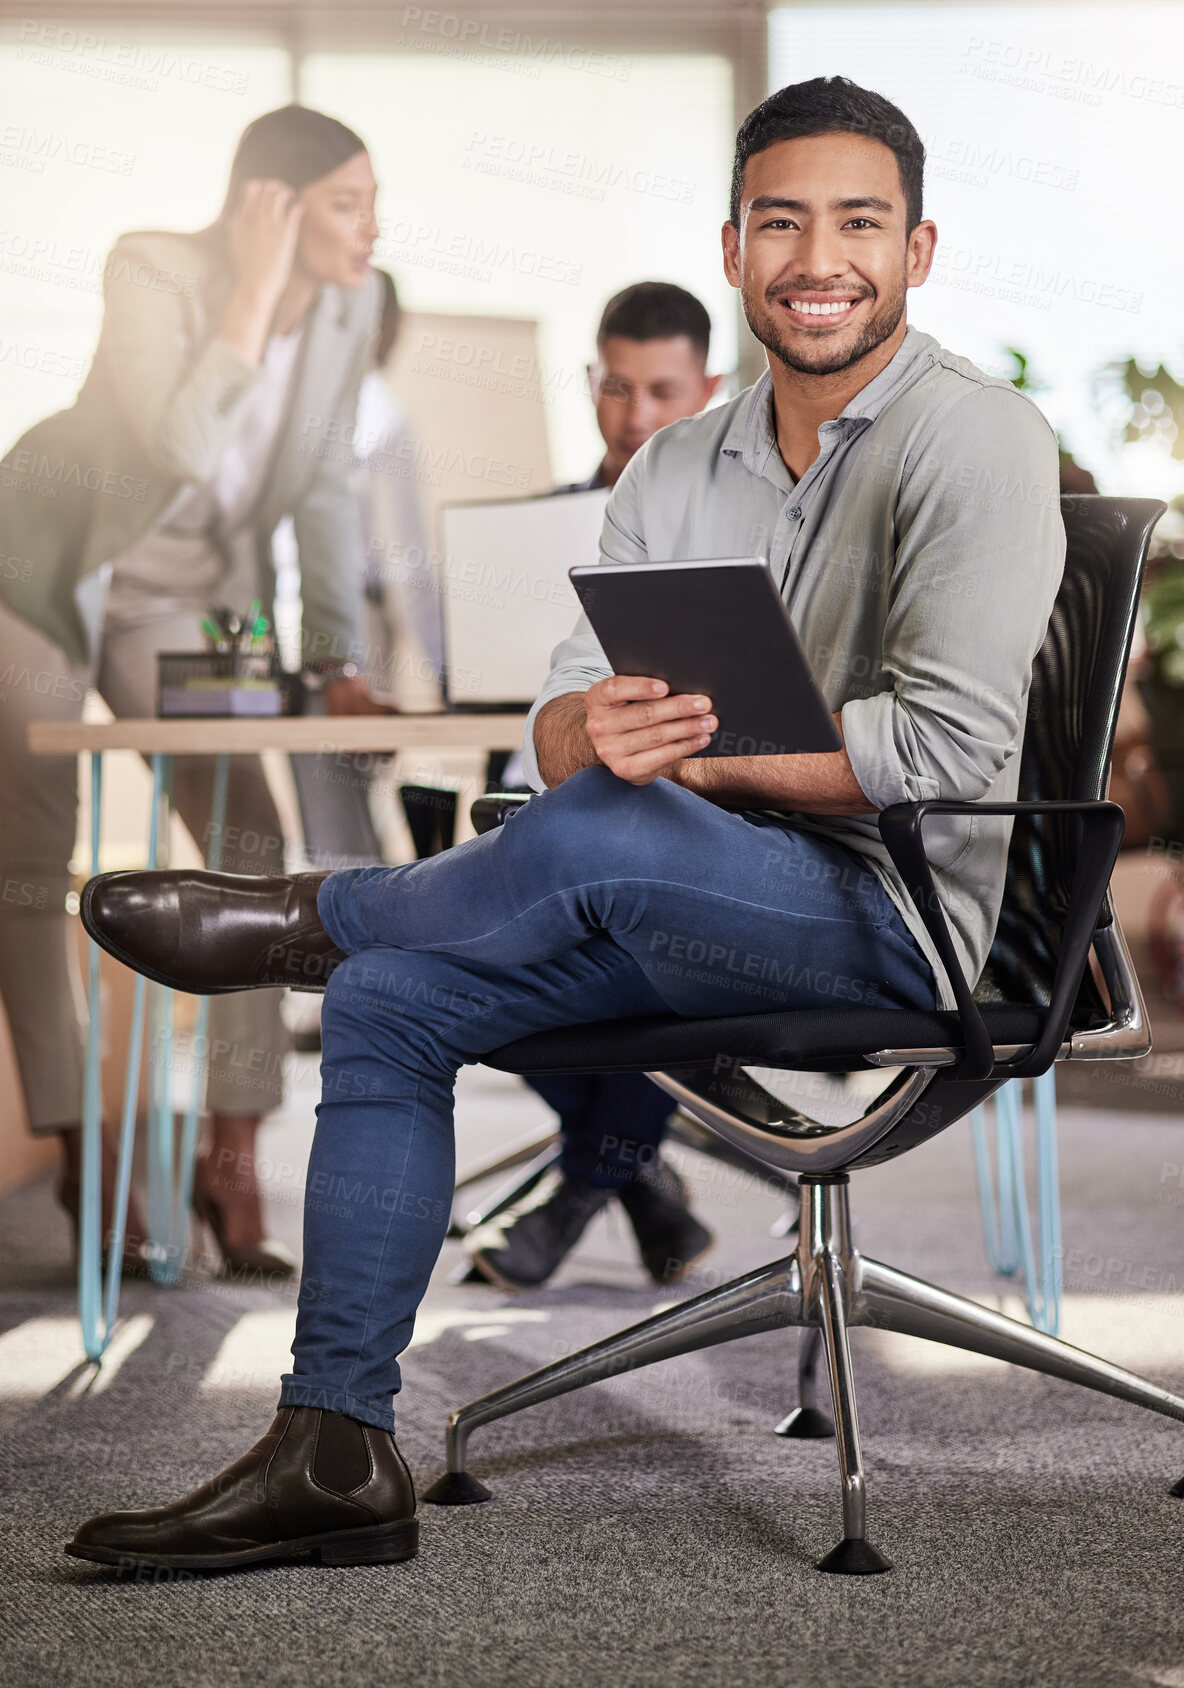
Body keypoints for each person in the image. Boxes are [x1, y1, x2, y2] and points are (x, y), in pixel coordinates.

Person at [66, 75, 1066, 1572]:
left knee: (602, 825)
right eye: (783, 221)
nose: (819, 257)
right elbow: (557, 711)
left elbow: (941, 746)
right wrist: (583, 732)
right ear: (735, 249)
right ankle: (335, 1448)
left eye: (860, 222)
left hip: (897, 917)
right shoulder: (673, 465)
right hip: (682, 893)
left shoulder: (975, 441)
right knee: (403, 1000)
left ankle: (305, 920)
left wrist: (695, 767)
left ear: (918, 253)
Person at [0, 104, 390, 1278]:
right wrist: (248, 300)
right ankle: (77, 1144)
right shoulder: (153, 266)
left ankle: (230, 1154)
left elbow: (322, 483)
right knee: (30, 851)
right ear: (265, 204)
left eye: (374, 204)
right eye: (346, 204)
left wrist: (333, 659)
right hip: (47, 568)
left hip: (201, 589)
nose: (370, 231)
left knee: (251, 848)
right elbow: (169, 437)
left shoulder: (353, 301)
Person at [465, 281, 723, 1292]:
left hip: (684, 817)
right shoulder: (530, 537)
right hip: (536, 790)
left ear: (706, 387)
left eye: (662, 389)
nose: (637, 416)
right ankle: (634, 1175)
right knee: (462, 928)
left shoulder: (742, 529)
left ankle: (576, 1187)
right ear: (589, 385)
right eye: (615, 389)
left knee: (633, 935)